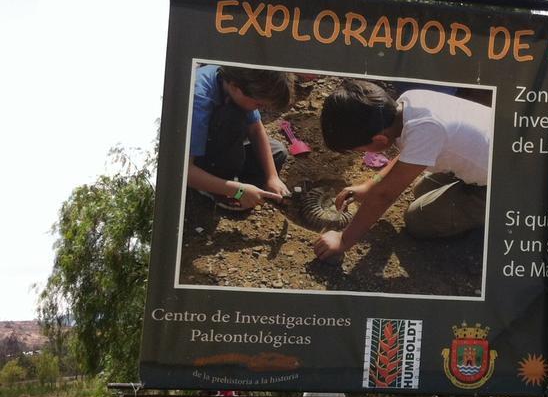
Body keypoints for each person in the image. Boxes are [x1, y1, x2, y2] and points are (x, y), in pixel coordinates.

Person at [312, 79, 491, 260]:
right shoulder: (408, 102)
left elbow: (384, 196)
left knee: (418, 220)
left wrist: (343, 240)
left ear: (380, 140)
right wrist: (369, 186)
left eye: (361, 150)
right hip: (493, 158)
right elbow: (410, 154)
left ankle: (491, 222)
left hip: (504, 186)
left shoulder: (427, 129)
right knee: (422, 189)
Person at [187, 64, 293, 211]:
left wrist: (272, 177)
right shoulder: (197, 100)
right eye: (259, 104)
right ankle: (215, 188)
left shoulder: (239, 82)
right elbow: (184, 170)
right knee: (232, 118)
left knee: (278, 152)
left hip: (222, 141)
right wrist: (238, 191)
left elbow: (256, 129)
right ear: (235, 87)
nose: (260, 109)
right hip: (196, 159)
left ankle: (234, 182)